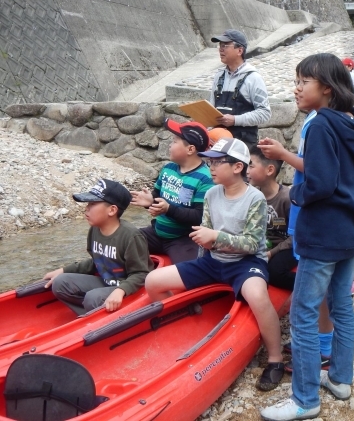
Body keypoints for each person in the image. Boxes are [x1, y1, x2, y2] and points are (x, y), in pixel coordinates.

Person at [260, 53, 354, 421]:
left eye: (303, 81)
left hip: (322, 234)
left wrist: (298, 196)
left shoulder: (321, 122)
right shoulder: (352, 120)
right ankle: (340, 378)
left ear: (325, 88)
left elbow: (320, 182)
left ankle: (305, 399)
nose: (296, 88)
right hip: (350, 231)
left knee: (304, 313)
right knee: (341, 304)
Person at [145, 137, 284, 392]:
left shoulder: (255, 199)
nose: (210, 167)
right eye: (209, 161)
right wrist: (206, 242)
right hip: (212, 261)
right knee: (153, 281)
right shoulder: (210, 193)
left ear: (237, 167)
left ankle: (275, 358)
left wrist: (215, 238)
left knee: (257, 295)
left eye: (217, 162)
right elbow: (206, 232)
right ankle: (179, 324)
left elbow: (253, 244)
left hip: (245, 263)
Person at [258, 112, 335, 375]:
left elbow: (321, 173)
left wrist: (284, 155)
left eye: (304, 81)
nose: (297, 88)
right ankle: (319, 345)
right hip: (307, 229)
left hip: (310, 232)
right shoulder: (317, 119)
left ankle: (321, 351)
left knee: (310, 289)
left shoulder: (327, 123)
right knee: (312, 290)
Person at [44, 179, 153, 316]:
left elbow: (141, 274)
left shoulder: (131, 236)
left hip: (127, 288)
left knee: (93, 298)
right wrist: (63, 270)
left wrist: (121, 290)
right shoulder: (95, 230)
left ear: (112, 210)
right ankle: (89, 315)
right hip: (105, 283)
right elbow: (96, 261)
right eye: (88, 203)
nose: (87, 208)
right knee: (60, 283)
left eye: (93, 204)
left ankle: (96, 318)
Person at [130, 120, 214, 264]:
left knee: (189, 272)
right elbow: (158, 196)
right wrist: (150, 200)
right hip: (156, 233)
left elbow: (199, 216)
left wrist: (169, 209)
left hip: (184, 240)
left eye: (175, 141)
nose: (170, 145)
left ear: (190, 149)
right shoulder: (168, 168)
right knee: (123, 241)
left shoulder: (205, 178)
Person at [209, 29, 271, 146]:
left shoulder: (253, 78)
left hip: (243, 146)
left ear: (240, 50)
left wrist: (235, 120)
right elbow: (211, 108)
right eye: (220, 45)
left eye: (225, 45)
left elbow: (264, 113)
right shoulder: (219, 76)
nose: (221, 49)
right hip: (217, 145)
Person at [247, 146, 295, 291]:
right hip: (262, 245)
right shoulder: (251, 196)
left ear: (269, 170)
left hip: (286, 246)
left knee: (275, 273)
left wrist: (271, 253)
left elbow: (296, 237)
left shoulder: (287, 198)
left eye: (251, 165)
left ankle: (314, 284)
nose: (246, 170)